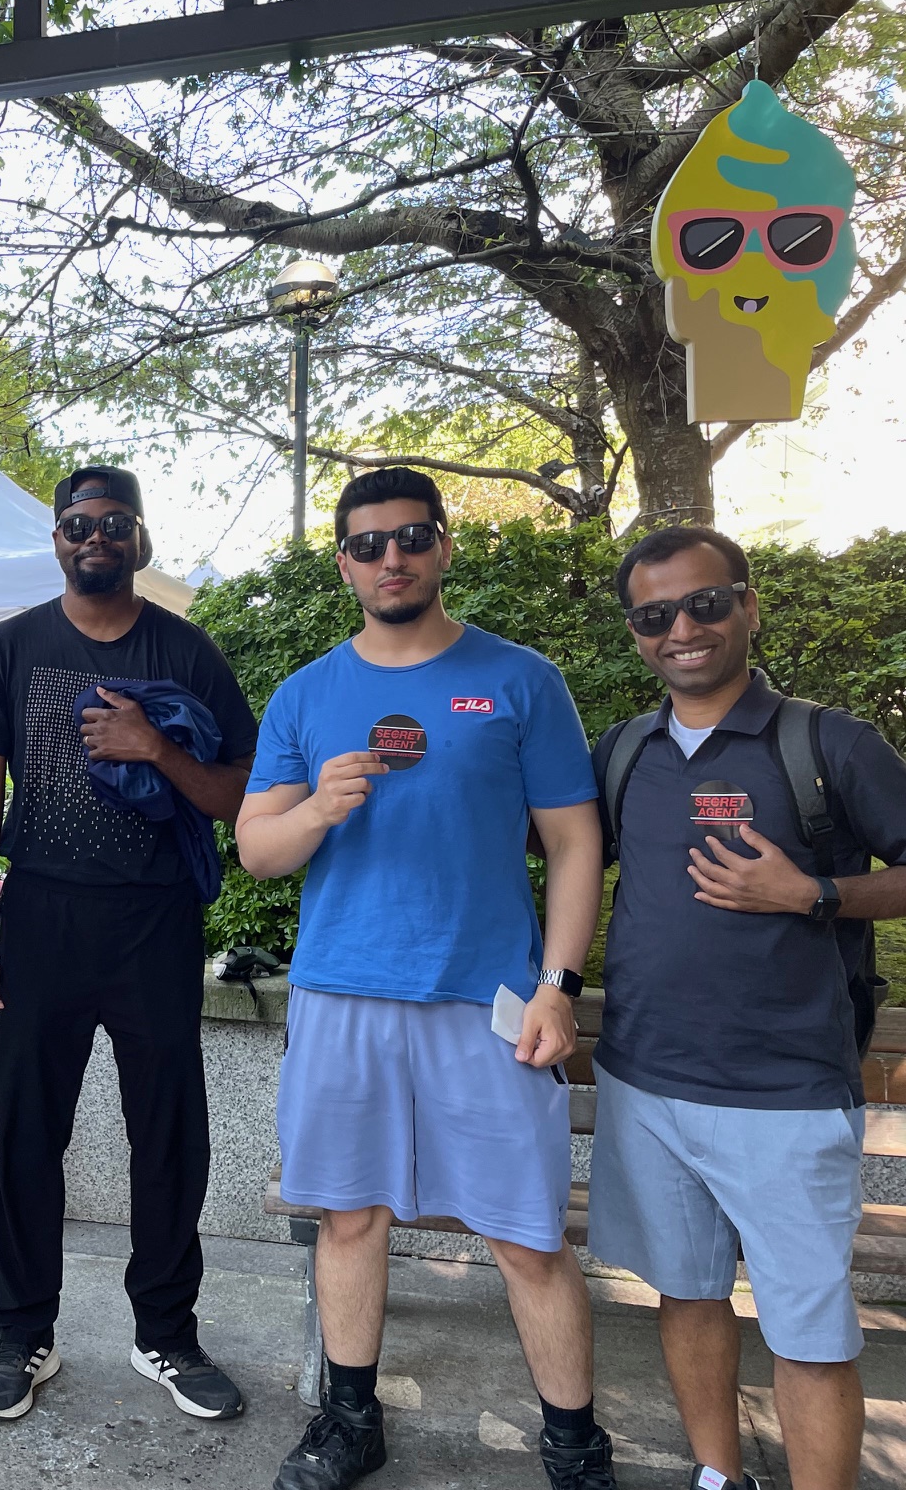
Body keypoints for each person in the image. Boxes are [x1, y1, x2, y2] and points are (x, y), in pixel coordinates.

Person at [234, 467, 616, 1490]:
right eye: (367, 544)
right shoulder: (307, 693)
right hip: (342, 995)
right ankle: (351, 1421)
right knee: (349, 1216)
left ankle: (574, 1446)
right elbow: (257, 850)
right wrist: (317, 809)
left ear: (444, 546)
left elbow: (574, 843)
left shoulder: (520, 679)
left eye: (410, 537)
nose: (390, 558)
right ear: (344, 564)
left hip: (486, 1004)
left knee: (526, 1235)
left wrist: (559, 983)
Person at [590, 526, 906, 1490]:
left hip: (786, 1095)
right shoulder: (625, 751)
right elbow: (557, 848)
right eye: (654, 615)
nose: (682, 629)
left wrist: (814, 893)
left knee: (809, 1333)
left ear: (748, 605)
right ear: (636, 632)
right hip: (644, 1081)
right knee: (686, 1297)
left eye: (705, 603)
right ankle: (719, 1476)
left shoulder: (830, 743)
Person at [0, 464, 258, 1423]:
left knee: (168, 1131)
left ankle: (166, 1332)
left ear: (139, 538)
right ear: (57, 539)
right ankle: (21, 1333)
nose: (97, 536)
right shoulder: (10, 648)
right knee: (28, 1128)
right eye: (79, 523)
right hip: (42, 915)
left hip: (156, 919)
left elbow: (242, 798)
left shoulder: (187, 649)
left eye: (115, 522)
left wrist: (157, 749)